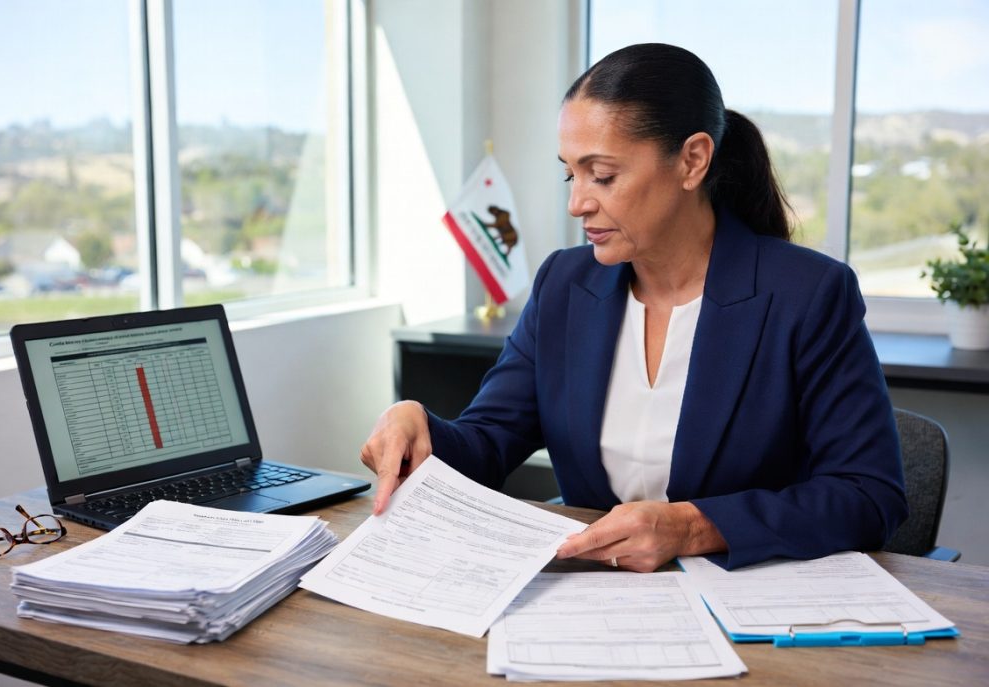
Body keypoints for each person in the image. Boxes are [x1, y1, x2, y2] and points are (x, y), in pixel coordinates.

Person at [360, 43, 908, 571]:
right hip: (593, 599)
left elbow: (869, 496)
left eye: (603, 175)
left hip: (746, 607)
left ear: (692, 160)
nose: (577, 202)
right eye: (569, 173)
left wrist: (694, 527)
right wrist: (422, 429)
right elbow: (488, 443)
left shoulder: (808, 293)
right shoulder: (563, 285)